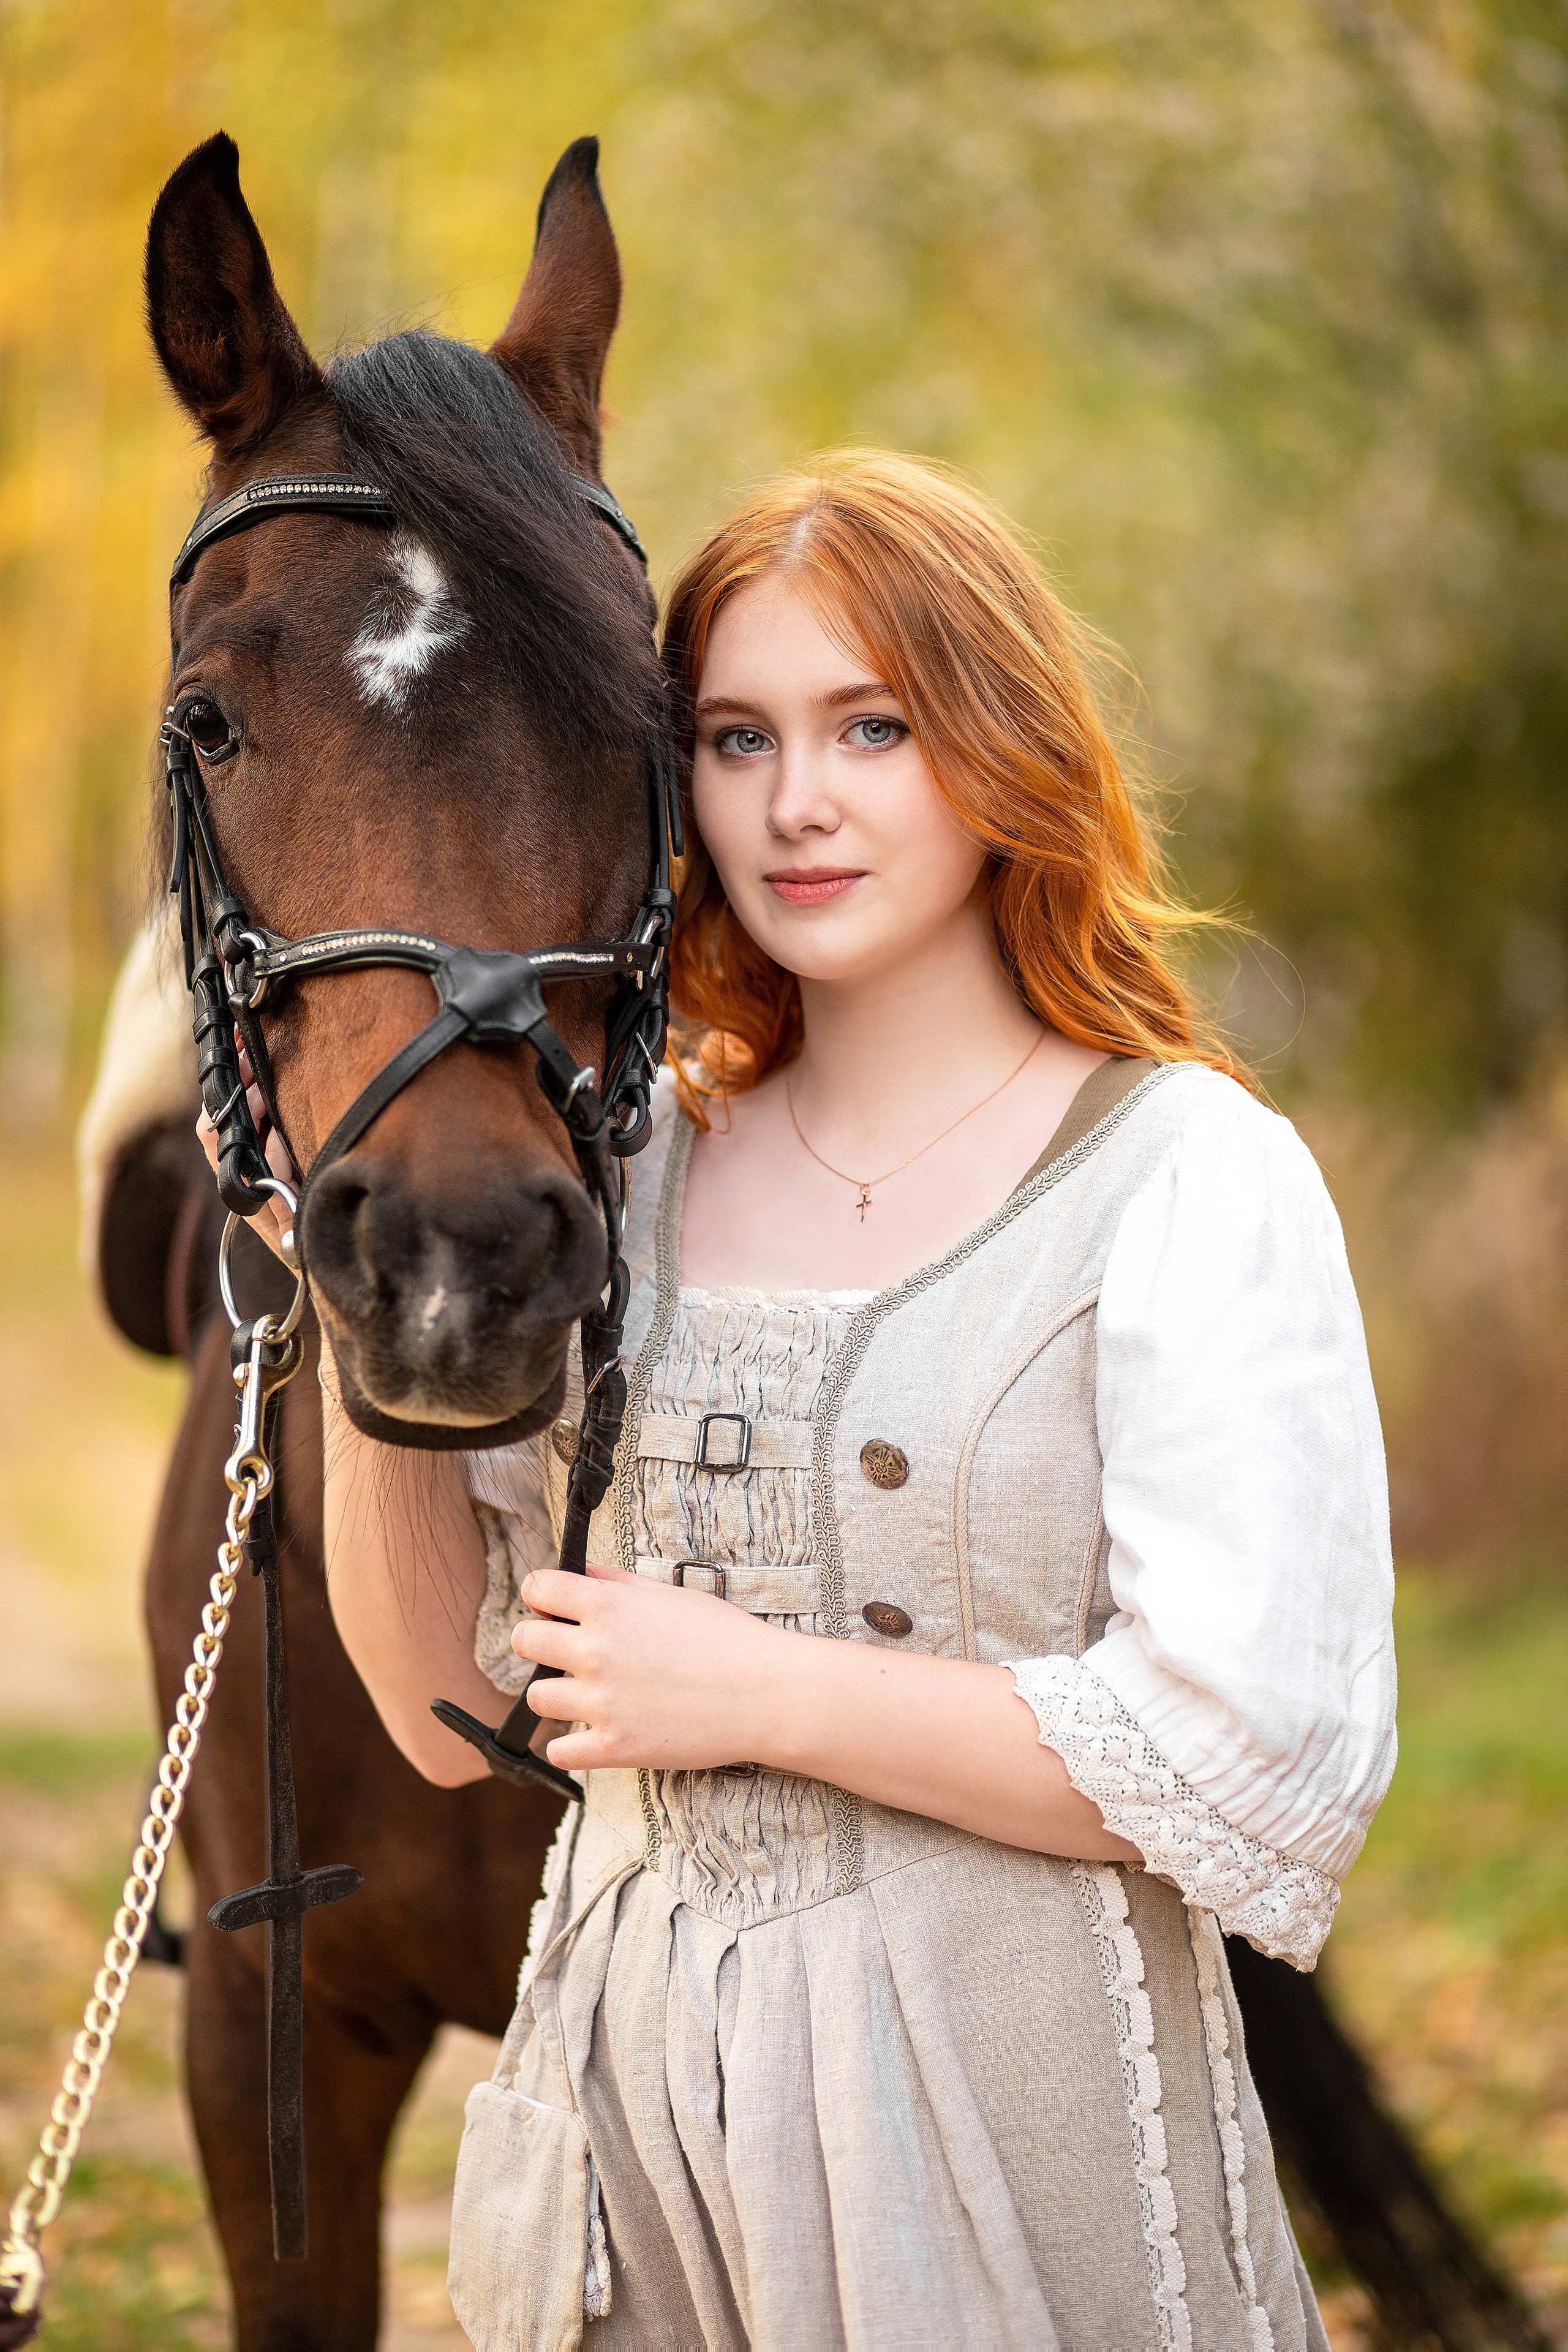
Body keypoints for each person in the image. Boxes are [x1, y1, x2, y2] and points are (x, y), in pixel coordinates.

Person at [216, 451, 1395, 2350]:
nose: (799, 805)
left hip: (1012, 2135)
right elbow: (452, 1718)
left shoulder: (1186, 1178)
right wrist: (361, 1311)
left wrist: (760, 1695)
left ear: (1003, 746)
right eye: (737, 738)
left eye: (872, 726)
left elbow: (1251, 1747)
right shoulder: (630, 1181)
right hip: (637, 2146)